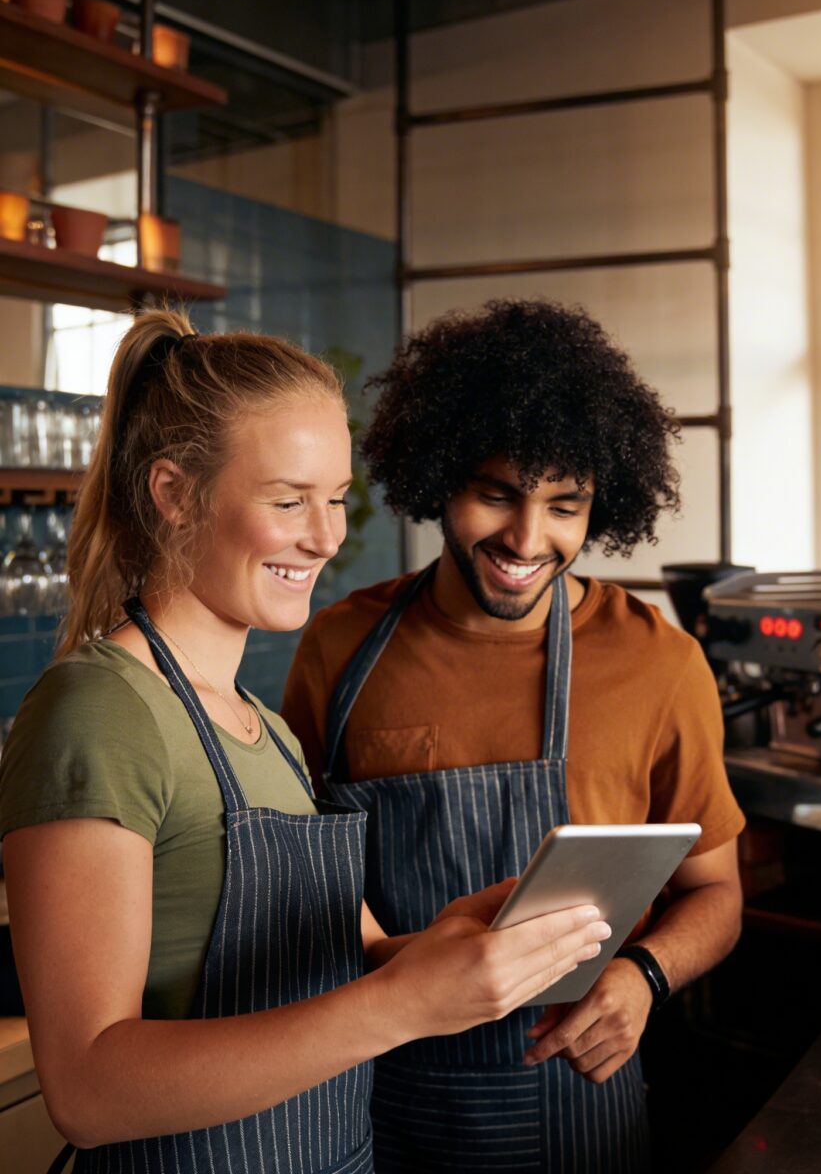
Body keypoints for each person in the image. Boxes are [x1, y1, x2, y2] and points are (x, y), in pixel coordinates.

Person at [0, 309, 610, 1174]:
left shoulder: (267, 729)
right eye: (288, 501)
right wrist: (400, 1005)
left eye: (335, 500)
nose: (325, 538)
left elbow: (349, 961)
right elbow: (88, 1089)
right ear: (175, 493)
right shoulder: (99, 711)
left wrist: (456, 944)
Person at [282, 298, 746, 1173]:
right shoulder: (338, 647)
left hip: (579, 1102)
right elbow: (301, 875)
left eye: (564, 505)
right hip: (375, 1101)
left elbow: (717, 894)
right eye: (496, 493)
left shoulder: (662, 663)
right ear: (439, 477)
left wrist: (643, 977)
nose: (528, 539)